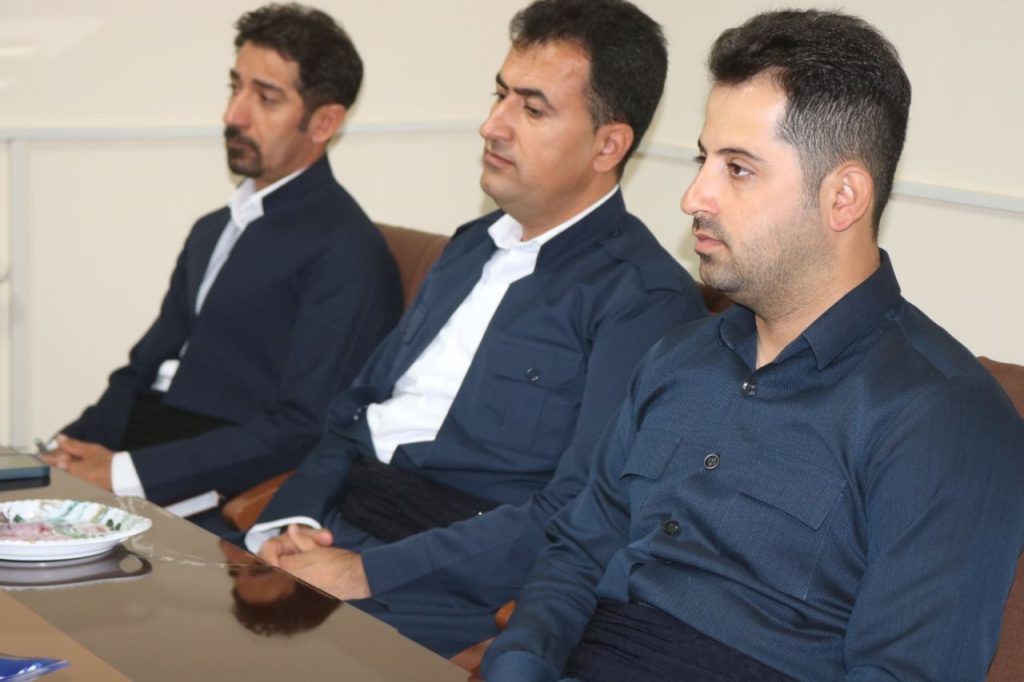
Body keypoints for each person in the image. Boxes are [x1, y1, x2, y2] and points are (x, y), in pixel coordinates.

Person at [482, 9, 1024, 682]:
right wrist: (517, 666)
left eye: (737, 169)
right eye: (702, 160)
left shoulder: (943, 418)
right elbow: (575, 554)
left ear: (843, 197)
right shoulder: (676, 358)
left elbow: (905, 671)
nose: (693, 197)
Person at [245, 0, 707, 657]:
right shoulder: (468, 247)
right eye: (500, 95)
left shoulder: (644, 300)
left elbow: (579, 512)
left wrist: (366, 572)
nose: (493, 125)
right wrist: (289, 523)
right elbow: (354, 415)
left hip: (450, 583)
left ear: (608, 145)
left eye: (532, 108)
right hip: (332, 528)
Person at [43, 4, 402, 530]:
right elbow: (142, 370)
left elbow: (302, 427)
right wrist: (67, 449)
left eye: (266, 98)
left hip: (207, 491)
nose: (234, 114)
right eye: (236, 87)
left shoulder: (347, 252)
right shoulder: (213, 229)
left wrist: (119, 474)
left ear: (325, 121)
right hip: (134, 454)